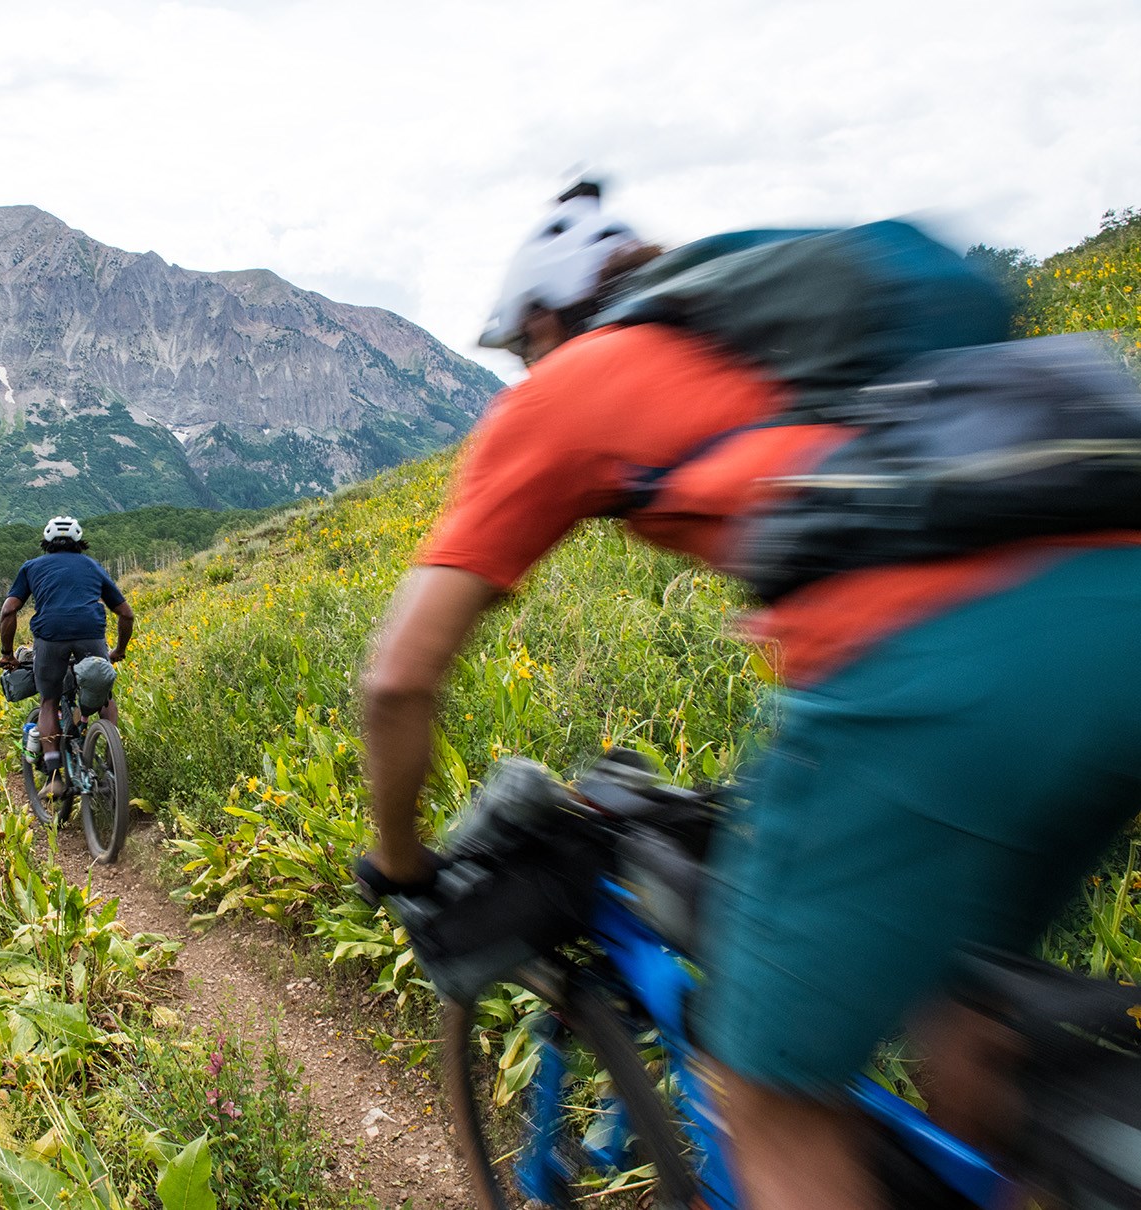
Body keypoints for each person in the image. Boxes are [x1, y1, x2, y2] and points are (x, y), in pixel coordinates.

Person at [356, 184, 1141, 1209]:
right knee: (968, 1004)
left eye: (519, 349)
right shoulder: (778, 335)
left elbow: (396, 674)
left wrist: (402, 861)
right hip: (1114, 605)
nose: (523, 371)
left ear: (547, 320)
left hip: (926, 665)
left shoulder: (570, 384)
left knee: (766, 1090)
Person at [0, 516, 134, 799]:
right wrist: (118, 651)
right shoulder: (91, 566)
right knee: (105, 695)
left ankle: (53, 776)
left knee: (49, 700)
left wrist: (8, 654)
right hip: (90, 633)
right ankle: (111, 760)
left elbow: (9, 611)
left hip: (50, 637)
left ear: (46, 543)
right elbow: (126, 613)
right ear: (79, 542)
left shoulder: (31, 567)